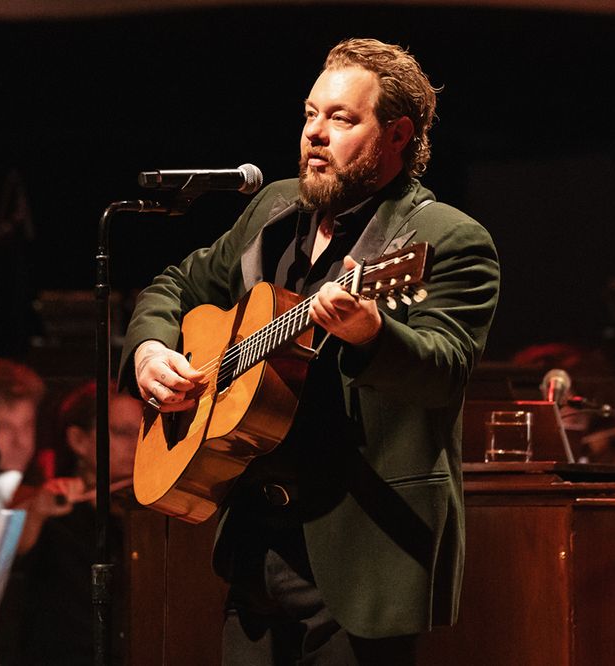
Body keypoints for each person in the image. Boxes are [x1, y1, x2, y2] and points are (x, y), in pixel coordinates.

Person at [120, 38, 499, 664]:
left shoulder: (445, 239)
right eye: (310, 114)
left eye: (342, 119)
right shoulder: (273, 208)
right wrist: (151, 351)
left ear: (398, 134)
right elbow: (177, 284)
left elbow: (446, 370)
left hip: (363, 557)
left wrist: (373, 335)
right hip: (254, 550)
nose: (315, 134)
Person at [19, 380, 142, 665]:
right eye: (123, 433)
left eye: (143, 433)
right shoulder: (53, 514)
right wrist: (36, 512)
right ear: (78, 440)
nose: (137, 445)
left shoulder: (150, 518)